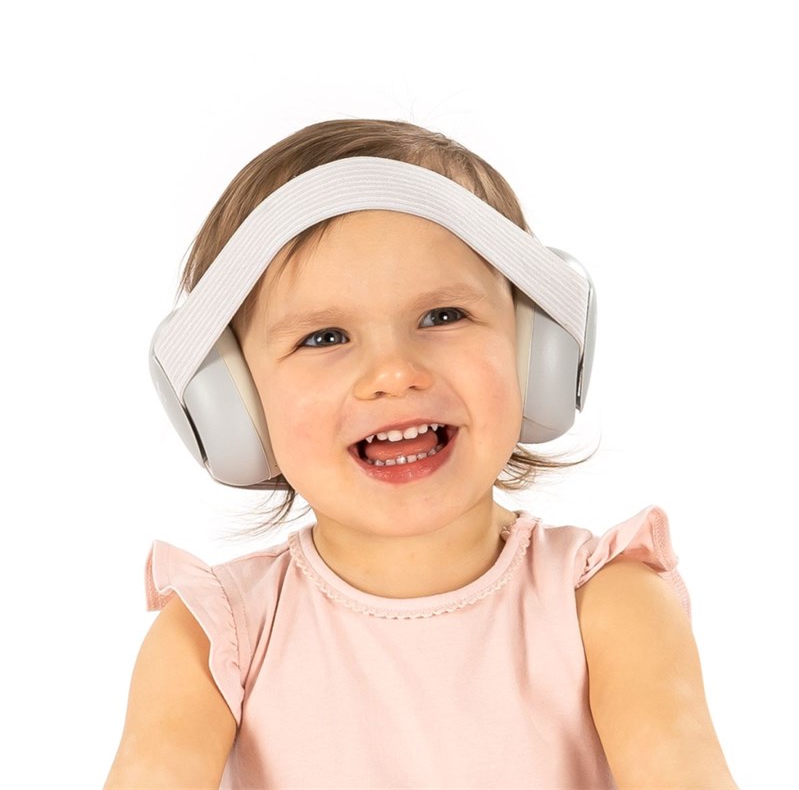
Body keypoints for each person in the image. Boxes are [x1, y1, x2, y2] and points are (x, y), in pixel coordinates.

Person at [105, 119, 738, 789]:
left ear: (537, 350)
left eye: (442, 316)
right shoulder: (216, 636)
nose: (394, 373)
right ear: (232, 405)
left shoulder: (608, 605)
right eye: (324, 337)